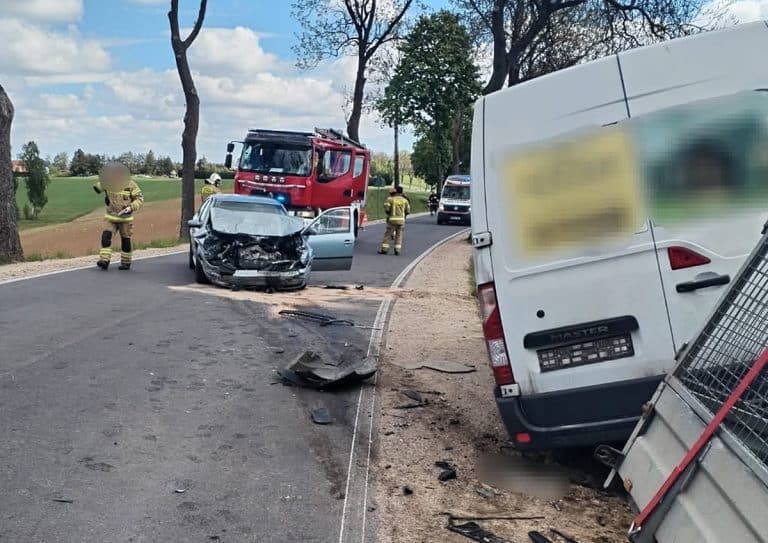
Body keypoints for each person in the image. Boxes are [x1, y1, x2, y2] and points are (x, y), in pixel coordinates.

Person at [93, 162, 144, 271]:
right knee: (106, 237)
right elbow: (97, 188)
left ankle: (126, 262)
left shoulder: (131, 185)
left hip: (125, 218)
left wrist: (131, 207)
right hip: (111, 217)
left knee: (125, 240)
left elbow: (139, 199)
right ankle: (104, 260)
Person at [379, 185, 410, 255]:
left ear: (395, 191)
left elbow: (387, 209)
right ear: (402, 192)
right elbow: (408, 211)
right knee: (399, 235)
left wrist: (389, 214)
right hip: (401, 221)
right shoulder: (405, 201)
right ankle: (397, 250)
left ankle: (384, 250)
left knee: (388, 235)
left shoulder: (390, 199)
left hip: (392, 221)